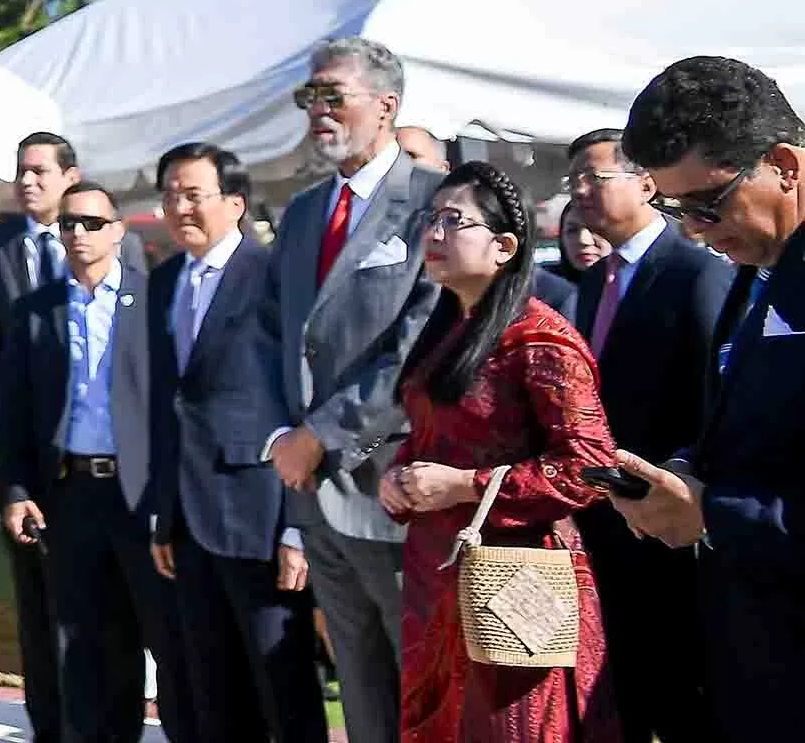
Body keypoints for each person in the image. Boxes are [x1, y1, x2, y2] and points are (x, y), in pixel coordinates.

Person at [377, 163, 617, 741]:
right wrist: (398, 473)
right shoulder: (447, 334)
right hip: (439, 583)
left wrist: (465, 486)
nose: (434, 235)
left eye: (453, 221)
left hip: (516, 583)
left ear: (505, 245)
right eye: (430, 219)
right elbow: (436, 434)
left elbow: (589, 466)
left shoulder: (541, 338)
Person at [605, 57, 805, 736]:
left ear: (783, 164)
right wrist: (681, 474)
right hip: (752, 658)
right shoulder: (760, 265)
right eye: (670, 207)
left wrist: (713, 514)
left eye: (705, 204)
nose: (690, 228)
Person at [261, 37, 443, 743]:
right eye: (310, 97)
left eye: (333, 95)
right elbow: (275, 337)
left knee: (424, 689)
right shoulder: (305, 212)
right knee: (362, 691)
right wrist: (285, 439)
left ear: (387, 105)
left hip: (394, 492)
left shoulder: (436, 203)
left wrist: (323, 436)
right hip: (312, 497)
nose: (317, 111)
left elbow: (420, 346)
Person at [0, 132, 140, 743]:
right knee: (44, 622)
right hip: (36, 464)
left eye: (40, 171)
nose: (27, 181)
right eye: (20, 172)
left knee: (117, 624)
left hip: (119, 476)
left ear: (70, 176)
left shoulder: (133, 267)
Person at [0, 180, 195, 743]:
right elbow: (14, 410)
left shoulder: (153, 296)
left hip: (138, 493)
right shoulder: (35, 310)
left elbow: (173, 402)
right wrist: (14, 490)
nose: (78, 234)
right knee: (82, 648)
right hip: (69, 494)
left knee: (161, 636)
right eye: (67, 224)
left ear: (117, 230)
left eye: (90, 223)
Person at [148, 143, 328, 743]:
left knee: (283, 690)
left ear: (234, 203)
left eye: (192, 194)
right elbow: (169, 402)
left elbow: (298, 398)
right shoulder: (166, 279)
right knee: (212, 693)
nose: (178, 207)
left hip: (260, 515)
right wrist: (163, 516)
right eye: (170, 194)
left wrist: (295, 526)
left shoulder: (272, 275)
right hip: (189, 521)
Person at [563, 126, 731, 743]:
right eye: (572, 180)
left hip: (674, 531)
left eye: (595, 176)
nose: (580, 191)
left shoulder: (695, 271)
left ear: (647, 183)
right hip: (602, 528)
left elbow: (712, 395)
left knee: (687, 704)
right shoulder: (585, 285)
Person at [556, 201, 611, 278]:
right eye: (572, 230)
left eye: (595, 228)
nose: (583, 240)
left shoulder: (631, 286)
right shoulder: (542, 286)